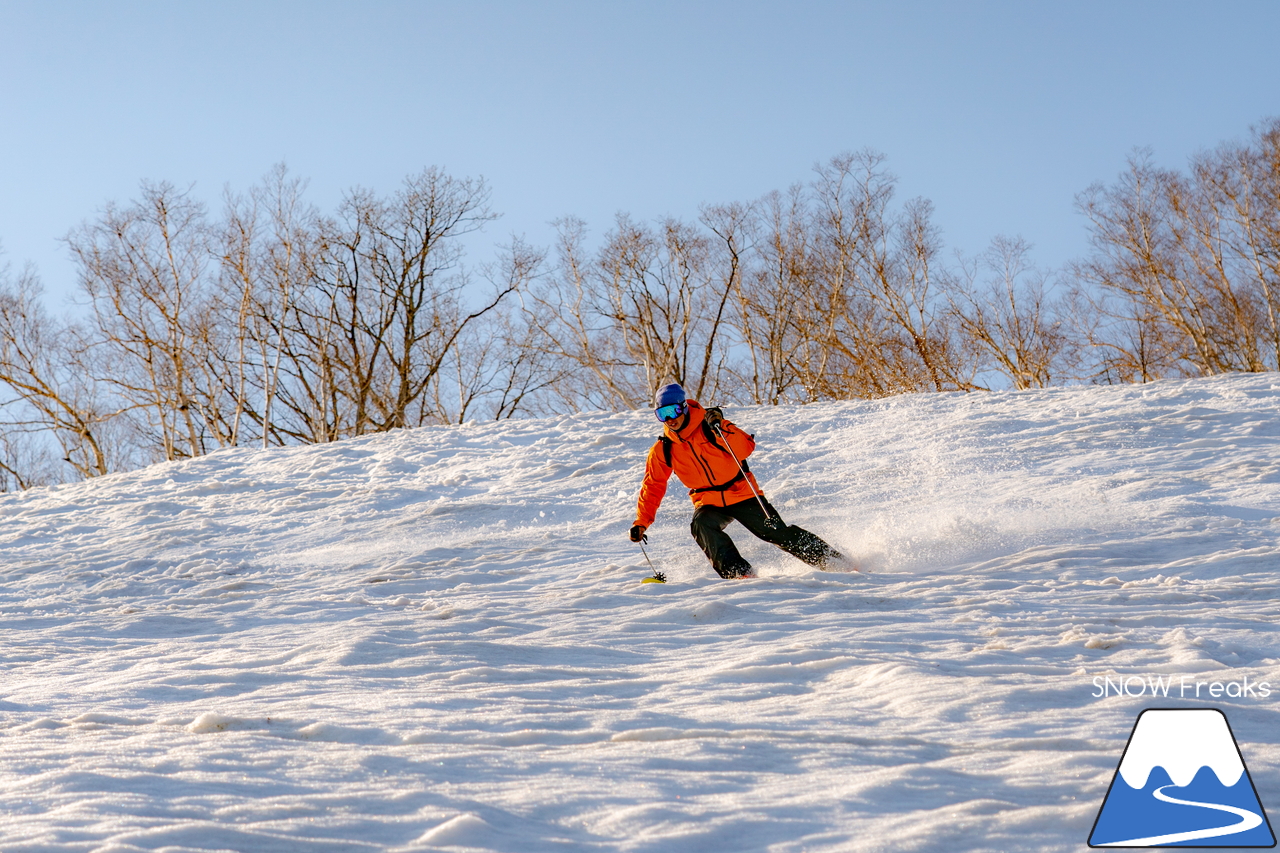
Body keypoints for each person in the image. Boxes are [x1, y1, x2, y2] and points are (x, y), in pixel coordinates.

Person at [629, 382, 845, 579]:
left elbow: (746, 448)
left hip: (742, 492)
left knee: (776, 532)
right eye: (662, 414)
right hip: (709, 500)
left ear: (683, 406)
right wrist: (641, 522)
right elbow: (653, 485)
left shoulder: (710, 426)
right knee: (701, 524)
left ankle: (834, 561)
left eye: (673, 410)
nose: (670, 419)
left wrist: (720, 426)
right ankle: (739, 574)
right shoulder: (663, 448)